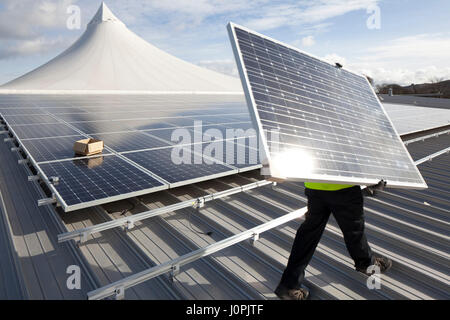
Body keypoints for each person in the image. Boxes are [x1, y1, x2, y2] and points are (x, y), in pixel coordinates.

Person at [274, 181, 392, 300]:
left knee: (308, 235)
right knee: (354, 229)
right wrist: (372, 179)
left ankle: (289, 287)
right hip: (344, 187)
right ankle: (366, 263)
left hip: (315, 186)